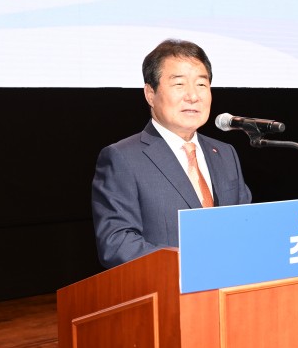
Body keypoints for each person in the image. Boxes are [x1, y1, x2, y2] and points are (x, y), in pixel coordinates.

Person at [91, 38, 252, 269]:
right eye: (179, 84)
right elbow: (117, 243)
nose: (193, 96)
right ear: (150, 94)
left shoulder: (225, 153)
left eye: (201, 84)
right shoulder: (122, 158)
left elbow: (245, 225)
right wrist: (189, 263)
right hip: (167, 286)